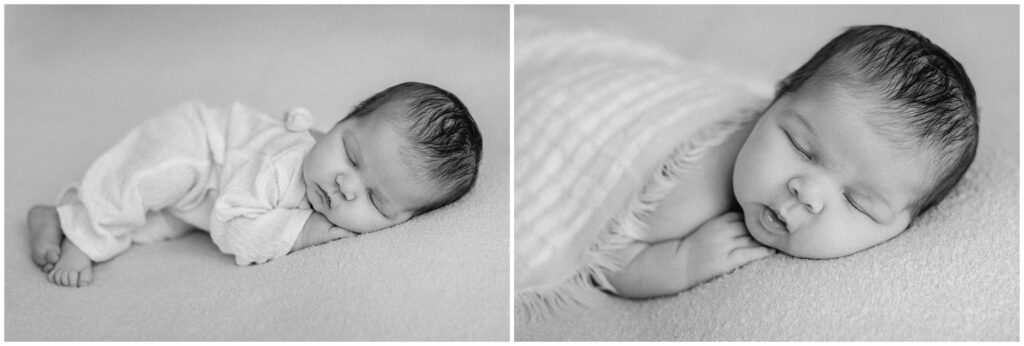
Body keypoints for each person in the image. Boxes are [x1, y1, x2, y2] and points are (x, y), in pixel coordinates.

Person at [603, 25, 978, 298]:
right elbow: (603, 258)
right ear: (774, 101)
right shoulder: (689, 190)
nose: (807, 194)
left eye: (857, 202)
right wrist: (684, 262)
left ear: (904, 226)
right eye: (801, 147)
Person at [27, 81, 484, 287]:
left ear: (403, 221)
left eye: (376, 201)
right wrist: (299, 233)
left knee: (158, 224)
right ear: (339, 123)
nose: (346, 185)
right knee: (143, 184)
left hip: (204, 196)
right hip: (198, 144)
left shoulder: (331, 179)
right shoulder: (284, 166)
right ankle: (84, 236)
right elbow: (230, 227)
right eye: (350, 155)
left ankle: (57, 217)